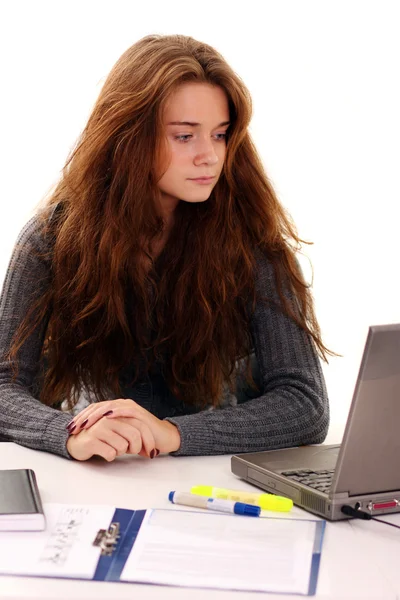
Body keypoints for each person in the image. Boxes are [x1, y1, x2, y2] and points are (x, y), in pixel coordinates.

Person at [0, 34, 331, 462]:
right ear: (128, 136)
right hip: (99, 473)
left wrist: (170, 433)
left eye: (220, 135)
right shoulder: (50, 239)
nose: (209, 156)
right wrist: (67, 434)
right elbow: (4, 384)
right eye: (184, 136)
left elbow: (305, 405)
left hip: (212, 480)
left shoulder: (252, 245)